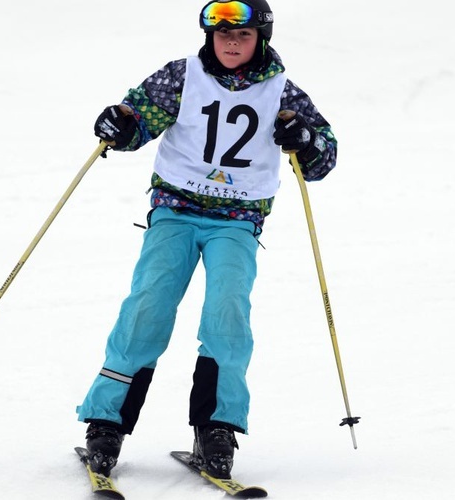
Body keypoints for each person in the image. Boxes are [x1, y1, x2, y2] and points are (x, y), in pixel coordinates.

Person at [76, 0, 337, 479]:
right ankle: (106, 421)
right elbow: (139, 116)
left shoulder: (282, 91)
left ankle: (216, 427)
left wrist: (307, 140)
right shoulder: (183, 75)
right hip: (175, 211)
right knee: (147, 307)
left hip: (237, 221)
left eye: (242, 35)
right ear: (209, 37)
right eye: (222, 35)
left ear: (262, 38)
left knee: (228, 313)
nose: (231, 43)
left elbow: (324, 156)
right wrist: (122, 124)